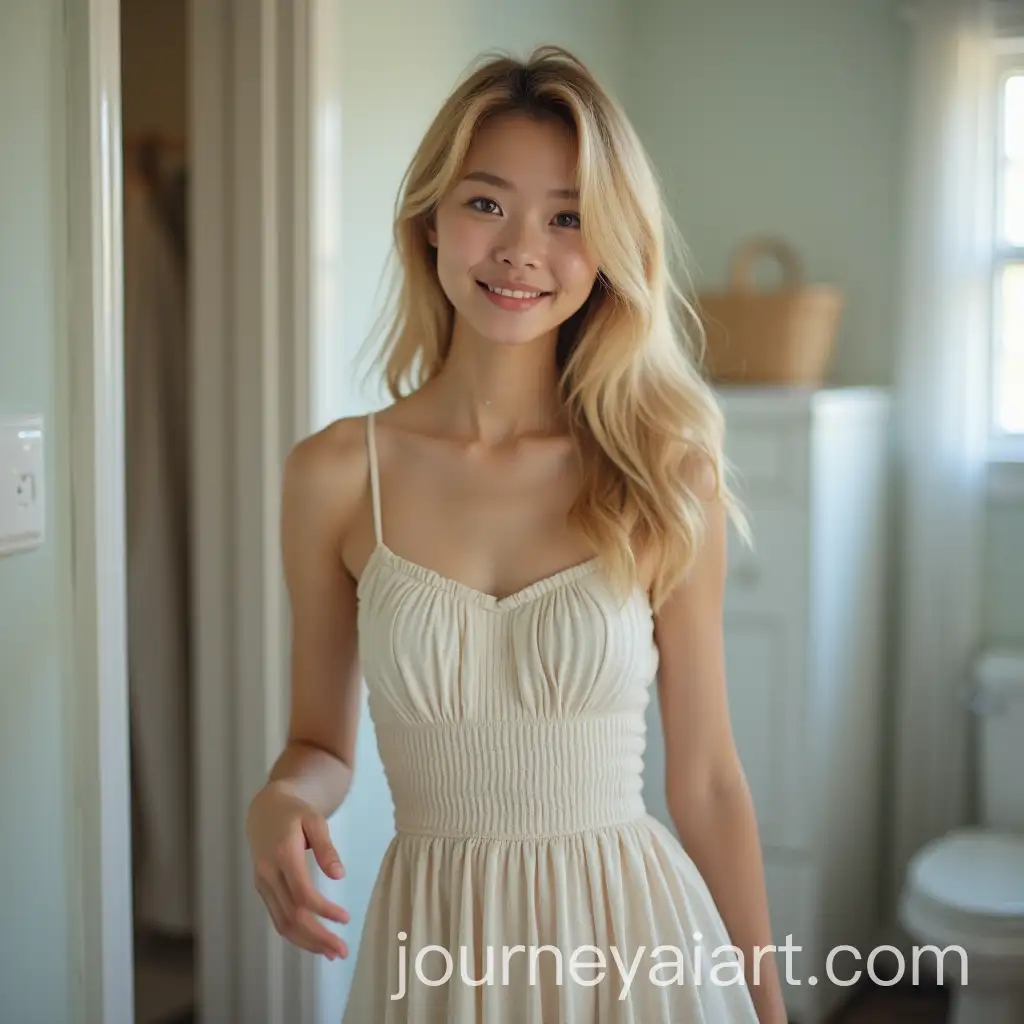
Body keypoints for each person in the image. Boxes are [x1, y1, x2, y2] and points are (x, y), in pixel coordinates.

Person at [245, 44, 788, 1023]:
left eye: (568, 216)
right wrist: (280, 800)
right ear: (431, 219)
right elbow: (318, 743)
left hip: (631, 944)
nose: (520, 248)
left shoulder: (663, 473)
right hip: (438, 955)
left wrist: (767, 1005)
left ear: (612, 243)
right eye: (486, 202)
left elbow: (706, 779)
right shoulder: (334, 474)